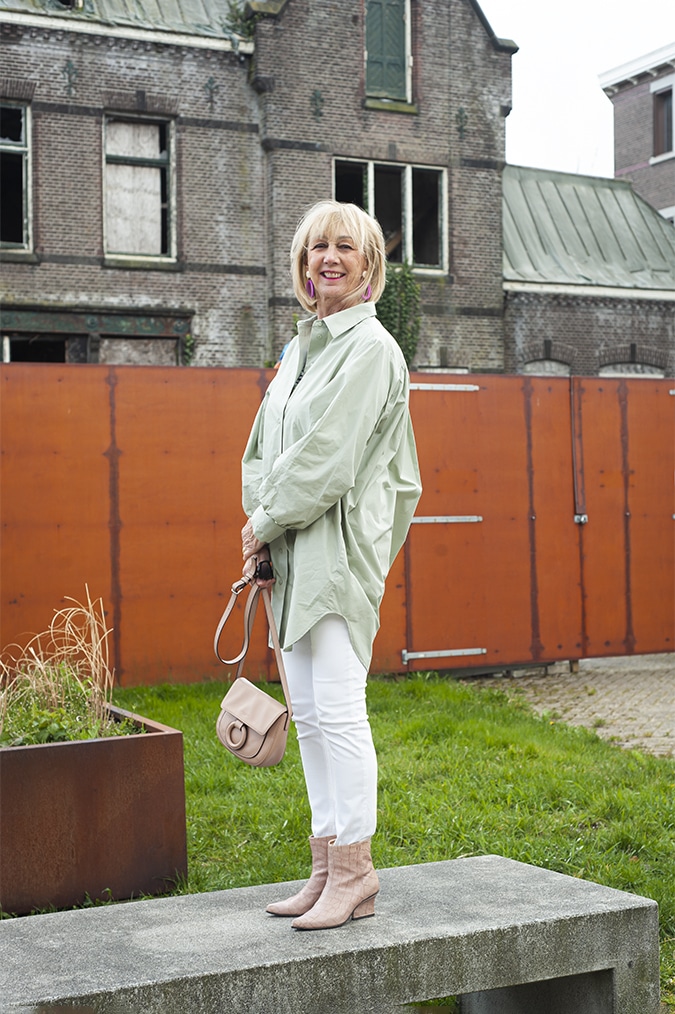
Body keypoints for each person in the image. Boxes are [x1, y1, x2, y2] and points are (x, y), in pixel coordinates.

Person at [240, 199, 422, 931]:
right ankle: (325, 869)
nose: (328, 259)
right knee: (309, 718)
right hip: (288, 551)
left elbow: (327, 461)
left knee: (340, 714)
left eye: (344, 247)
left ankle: (356, 870)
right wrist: (263, 525)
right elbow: (261, 450)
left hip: (335, 556)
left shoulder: (369, 348)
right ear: (302, 264)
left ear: (369, 264)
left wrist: (261, 518)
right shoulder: (300, 351)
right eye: (317, 247)